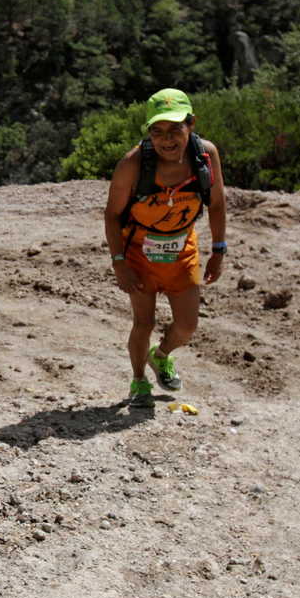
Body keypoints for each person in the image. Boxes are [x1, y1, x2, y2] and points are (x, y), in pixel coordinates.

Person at [102, 88, 227, 409]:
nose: (166, 139)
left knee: (187, 327)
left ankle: (161, 357)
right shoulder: (132, 165)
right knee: (143, 323)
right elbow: (112, 214)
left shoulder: (206, 156)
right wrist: (119, 262)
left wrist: (219, 250)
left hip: (183, 251)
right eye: (157, 131)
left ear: (191, 124)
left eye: (175, 130)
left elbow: (216, 203)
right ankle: (139, 381)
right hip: (138, 253)